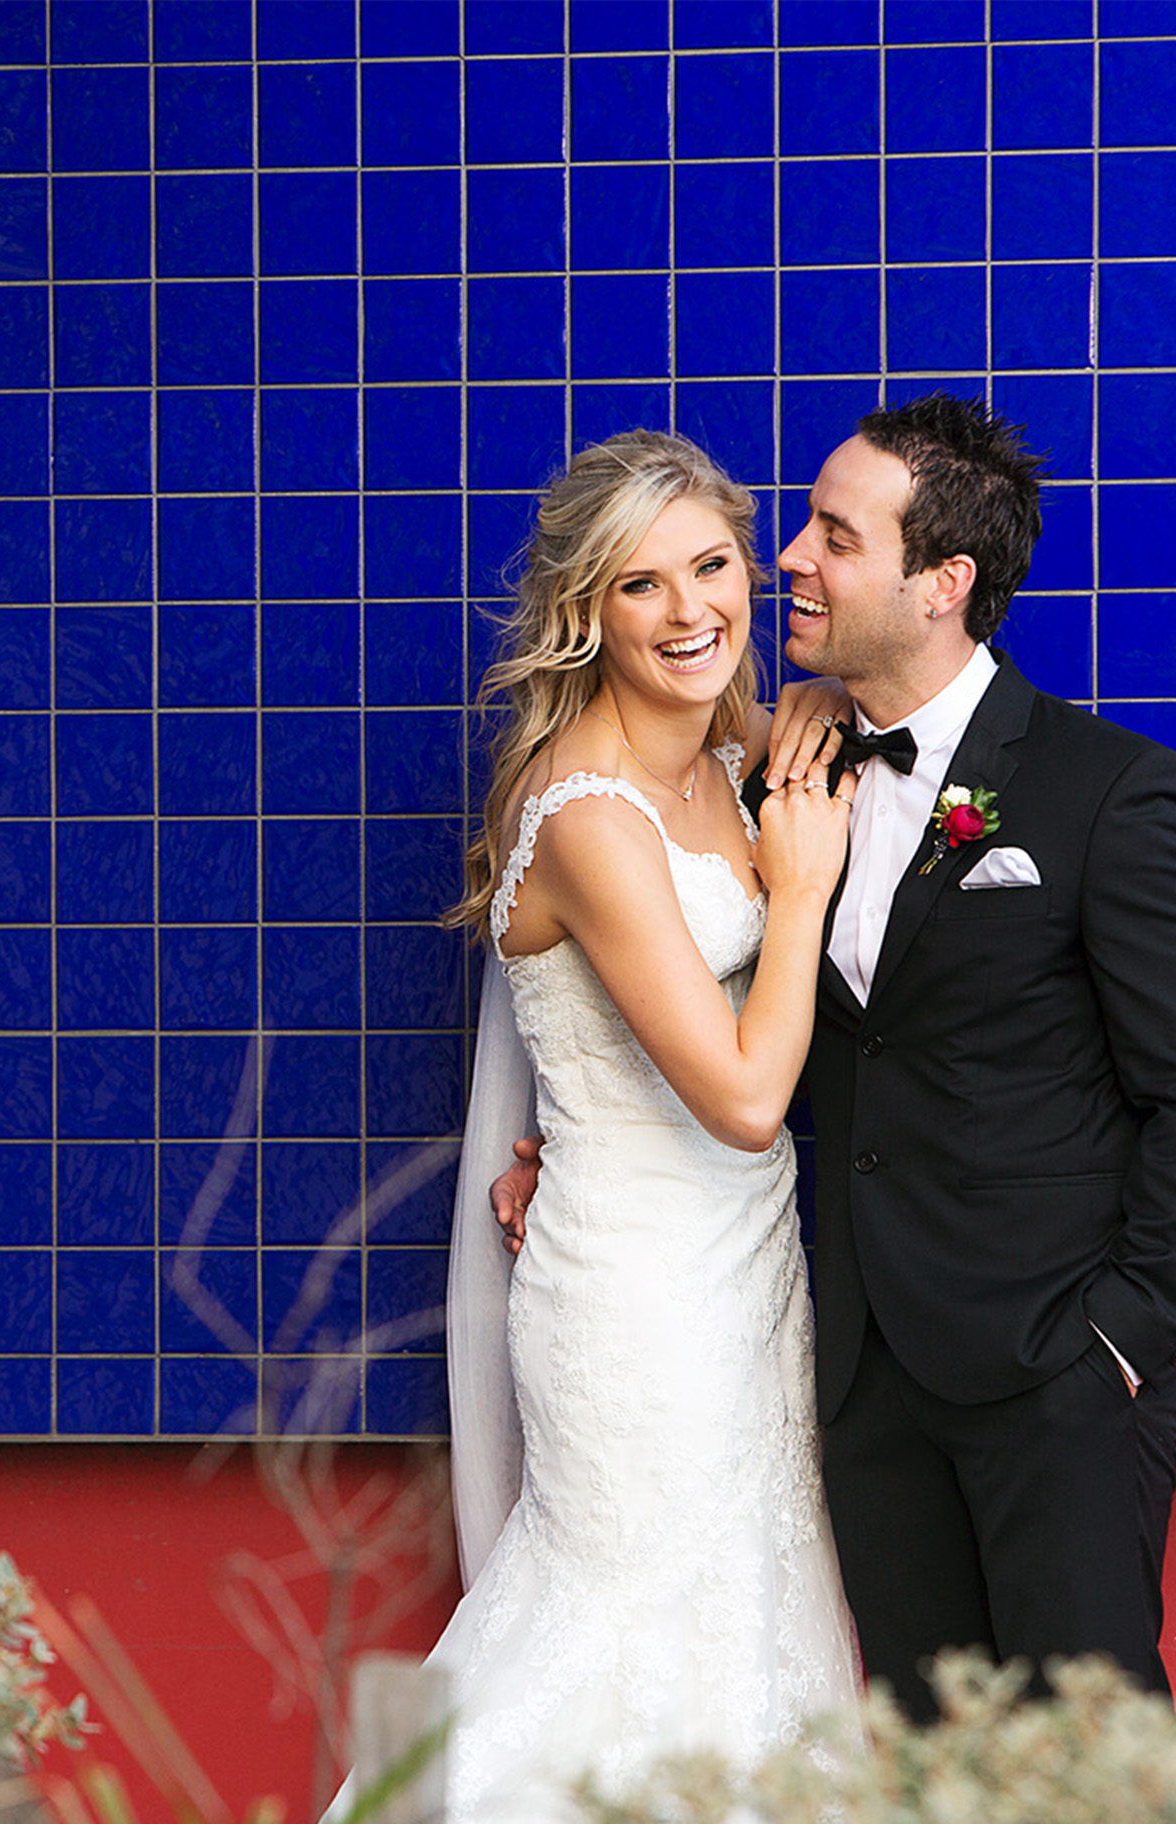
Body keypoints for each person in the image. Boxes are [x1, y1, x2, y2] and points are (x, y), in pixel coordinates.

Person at [499, 394, 1176, 1719]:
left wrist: (1124, 1346)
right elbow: (647, 994)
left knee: (1084, 1753)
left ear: (939, 583)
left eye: (833, 537)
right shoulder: (773, 763)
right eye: (794, 527)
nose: (789, 555)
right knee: (911, 1742)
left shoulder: (1105, 790)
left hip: (1052, 1376)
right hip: (849, 1370)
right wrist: (564, 1147)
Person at [425, 429, 862, 1822]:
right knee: (626, 1637)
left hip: (750, 1278)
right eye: (641, 586)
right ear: (584, 611)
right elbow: (740, 1101)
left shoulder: (734, 750)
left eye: (713, 567)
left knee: (753, 1620)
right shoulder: (587, 815)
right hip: (636, 1305)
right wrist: (797, 892)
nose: (691, 614)